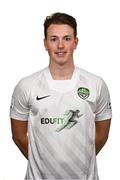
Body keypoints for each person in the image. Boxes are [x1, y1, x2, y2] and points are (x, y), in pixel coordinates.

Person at [10, 12, 112, 180]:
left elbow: (102, 135)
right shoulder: (26, 85)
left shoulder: (96, 84)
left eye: (66, 38)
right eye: (53, 39)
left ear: (75, 42)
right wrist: (43, 162)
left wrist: (83, 161)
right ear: (45, 43)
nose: (60, 46)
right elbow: (18, 136)